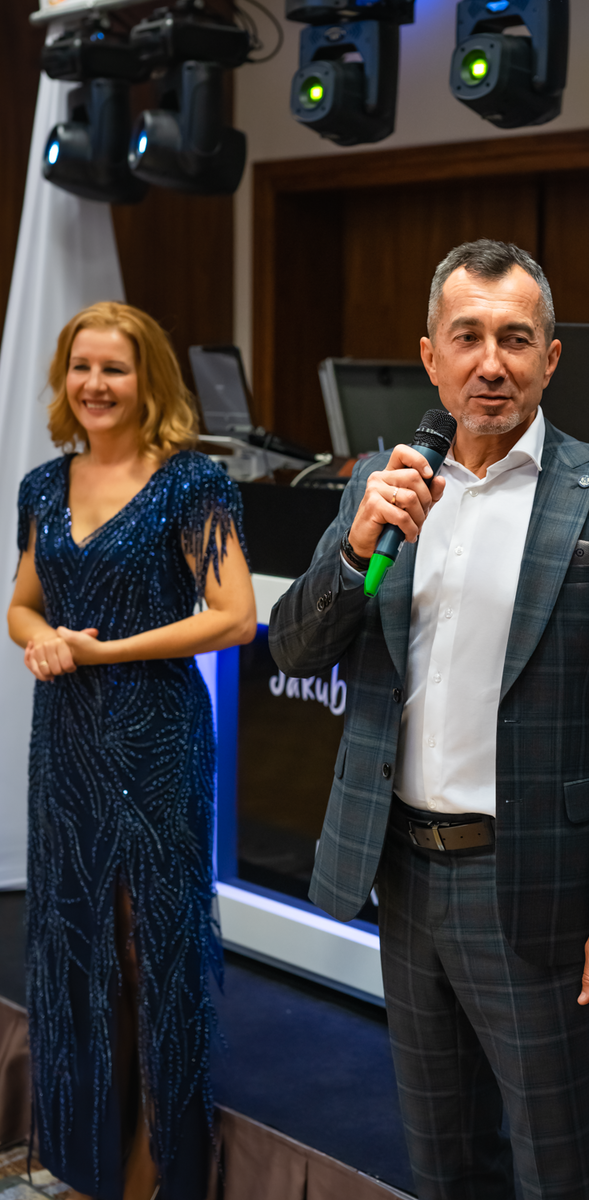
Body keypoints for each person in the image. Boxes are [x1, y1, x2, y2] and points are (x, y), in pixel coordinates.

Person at [269, 240, 589, 1199]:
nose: (490, 363)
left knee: (560, 1161)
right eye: (467, 337)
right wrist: (353, 550)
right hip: (404, 876)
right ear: (431, 357)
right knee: (443, 1156)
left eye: (515, 338)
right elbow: (293, 649)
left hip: (537, 885)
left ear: (551, 357)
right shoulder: (384, 482)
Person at [7, 302, 256, 1200]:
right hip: (67, 743)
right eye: (82, 367)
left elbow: (234, 617)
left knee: (154, 946)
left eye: (114, 368)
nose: (95, 384)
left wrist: (103, 650)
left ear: (148, 379)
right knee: (77, 943)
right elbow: (22, 603)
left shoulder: (192, 484)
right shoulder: (43, 485)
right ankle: (86, 1164)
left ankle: (162, 1171)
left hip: (156, 739)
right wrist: (41, 637)